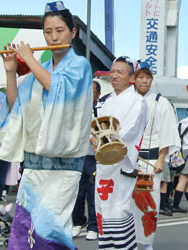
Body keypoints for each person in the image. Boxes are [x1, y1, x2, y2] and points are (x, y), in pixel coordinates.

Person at [0, 1, 93, 249]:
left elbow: (58, 88)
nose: (53, 37)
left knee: (51, 230)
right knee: (24, 229)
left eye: (59, 30)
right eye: (48, 32)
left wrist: (29, 60)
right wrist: (10, 71)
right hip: (34, 165)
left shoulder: (80, 66)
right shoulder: (41, 69)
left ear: (73, 33)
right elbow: (18, 107)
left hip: (63, 167)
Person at [93, 57, 149, 249]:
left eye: (120, 72)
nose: (114, 75)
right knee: (103, 212)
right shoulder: (107, 101)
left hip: (122, 164)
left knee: (118, 212)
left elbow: (129, 132)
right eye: (112, 71)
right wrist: (95, 140)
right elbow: (96, 128)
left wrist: (104, 142)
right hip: (103, 165)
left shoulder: (138, 102)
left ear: (131, 77)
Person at [132, 62, 178, 249]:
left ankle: (147, 242)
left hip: (150, 161)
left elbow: (167, 132)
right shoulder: (126, 99)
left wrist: (161, 159)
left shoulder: (160, 101)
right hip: (127, 160)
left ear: (152, 80)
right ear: (133, 79)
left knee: (148, 201)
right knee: (128, 204)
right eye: (140, 77)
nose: (144, 81)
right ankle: (129, 240)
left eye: (148, 77)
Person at [72, 81, 101, 240]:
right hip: (77, 155)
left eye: (93, 92)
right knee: (77, 192)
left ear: (98, 95)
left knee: (92, 193)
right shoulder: (77, 108)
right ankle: (77, 222)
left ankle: (93, 226)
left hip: (94, 157)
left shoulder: (102, 110)